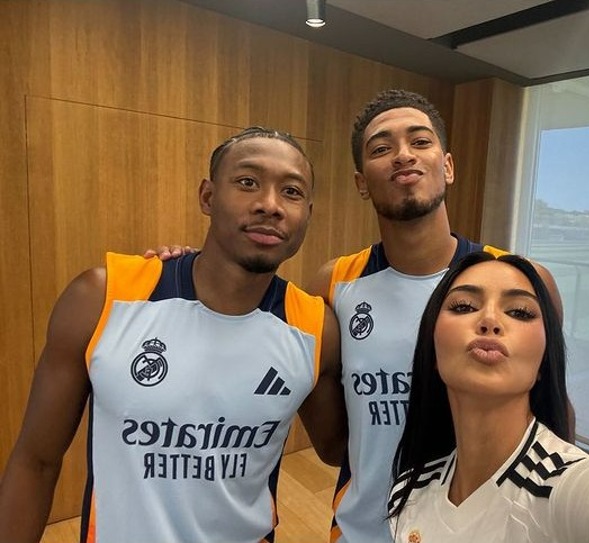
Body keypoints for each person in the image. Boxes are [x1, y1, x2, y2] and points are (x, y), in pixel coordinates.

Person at [148, 89, 566, 543]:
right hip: (361, 531)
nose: (403, 155)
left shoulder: (522, 284)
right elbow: (332, 444)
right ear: (361, 182)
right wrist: (184, 269)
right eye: (382, 148)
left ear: (447, 166)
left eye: (420, 141)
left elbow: (554, 417)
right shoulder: (333, 284)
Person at [0, 127, 347, 543]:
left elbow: (338, 450)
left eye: (291, 192)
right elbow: (35, 462)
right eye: (247, 182)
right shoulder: (103, 298)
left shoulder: (315, 328)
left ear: (307, 214)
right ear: (208, 197)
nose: (269, 205)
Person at [389, 250, 589, 543]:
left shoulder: (568, 489)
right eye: (464, 306)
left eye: (520, 312)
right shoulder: (410, 492)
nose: (489, 320)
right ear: (433, 350)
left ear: (543, 363)